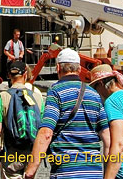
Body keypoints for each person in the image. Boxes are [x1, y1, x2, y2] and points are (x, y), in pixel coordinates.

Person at [24, 48, 110, 179]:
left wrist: (30, 171)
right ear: (80, 69)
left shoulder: (56, 91)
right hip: (94, 172)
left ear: (58, 68)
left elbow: (46, 133)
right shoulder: (94, 94)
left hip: (65, 171)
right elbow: (107, 138)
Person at [0, 60, 43, 179]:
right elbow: (43, 129)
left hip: (10, 154)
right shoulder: (37, 97)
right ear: (25, 74)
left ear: (9, 75)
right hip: (31, 153)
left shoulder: (2, 97)